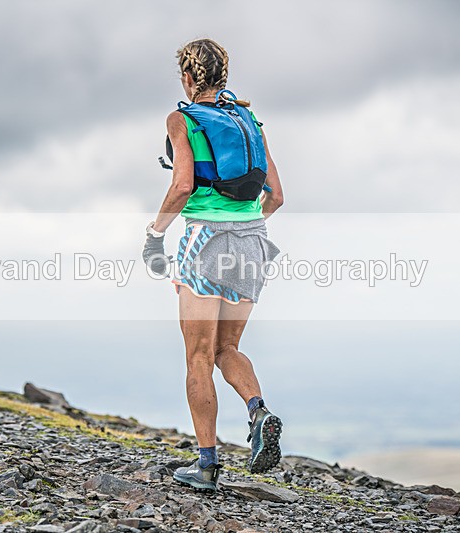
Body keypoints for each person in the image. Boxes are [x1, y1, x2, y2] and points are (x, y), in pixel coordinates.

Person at [142, 38, 285, 492]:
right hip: (254, 243)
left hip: (204, 240)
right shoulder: (250, 119)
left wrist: (154, 234)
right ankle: (258, 411)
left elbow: (183, 185)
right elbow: (276, 197)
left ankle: (206, 466)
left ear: (187, 77)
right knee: (227, 349)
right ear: (224, 74)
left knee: (198, 357)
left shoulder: (182, 119)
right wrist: (243, 229)